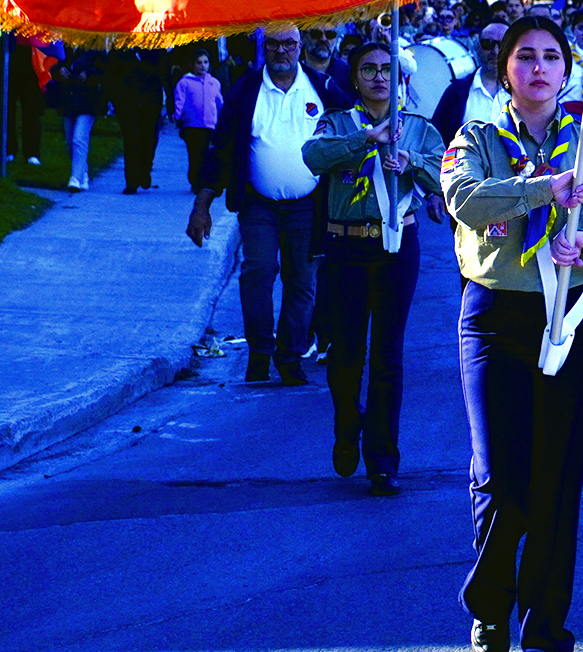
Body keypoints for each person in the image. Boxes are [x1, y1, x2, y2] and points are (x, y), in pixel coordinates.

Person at [442, 16, 583, 652]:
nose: (539, 68)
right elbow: (463, 200)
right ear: (505, 68)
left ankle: (544, 634)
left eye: (551, 58)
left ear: (568, 71)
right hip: (497, 317)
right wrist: (544, 188)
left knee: (558, 480)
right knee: (501, 476)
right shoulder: (477, 138)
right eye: (525, 56)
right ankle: (489, 603)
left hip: (577, 316)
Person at [301, 41, 448, 496]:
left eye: (387, 69)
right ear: (356, 77)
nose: (380, 77)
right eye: (369, 69)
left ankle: (383, 460)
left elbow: (445, 176)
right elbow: (313, 157)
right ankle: (348, 424)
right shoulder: (339, 121)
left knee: (387, 355)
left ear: (400, 77)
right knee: (346, 354)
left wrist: (412, 161)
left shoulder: (418, 129)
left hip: (397, 247)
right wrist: (365, 138)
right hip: (345, 248)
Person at [187, 25, 353, 385]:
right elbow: (222, 149)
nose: (281, 51)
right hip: (258, 205)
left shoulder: (323, 89)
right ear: (264, 47)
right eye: (273, 44)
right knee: (258, 273)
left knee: (302, 281)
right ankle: (260, 353)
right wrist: (202, 205)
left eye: (288, 44)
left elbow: (355, 126)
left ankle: (290, 357)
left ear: (300, 46)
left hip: (308, 205)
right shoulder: (245, 90)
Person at [433, 22, 509, 143]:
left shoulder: (524, 92)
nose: (495, 51)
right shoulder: (456, 92)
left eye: (503, 45)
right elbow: (435, 140)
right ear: (478, 47)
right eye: (488, 43)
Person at [105, 48, 166, 195]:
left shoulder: (156, 46)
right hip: (126, 97)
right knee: (132, 138)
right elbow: (110, 72)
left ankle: (144, 168)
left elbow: (165, 72)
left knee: (149, 137)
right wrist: (105, 99)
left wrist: (170, 102)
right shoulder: (121, 46)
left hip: (151, 98)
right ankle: (131, 181)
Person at [51, 46, 106, 192]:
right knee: (70, 142)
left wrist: (88, 73)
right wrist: (59, 70)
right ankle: (83, 173)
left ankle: (75, 178)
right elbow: (53, 65)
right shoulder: (65, 45)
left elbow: (104, 69)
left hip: (88, 100)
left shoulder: (95, 45)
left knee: (78, 139)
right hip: (68, 99)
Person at [173, 50, 224, 193]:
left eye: (205, 62)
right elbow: (180, 101)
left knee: (206, 154)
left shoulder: (214, 83)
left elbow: (219, 102)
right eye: (199, 63)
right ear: (192, 64)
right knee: (195, 153)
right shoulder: (185, 82)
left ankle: (202, 180)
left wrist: (224, 118)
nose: (202, 66)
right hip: (192, 125)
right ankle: (195, 179)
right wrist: (177, 116)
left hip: (209, 125)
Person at [0, 34, 47, 167]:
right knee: (5, 104)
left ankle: (32, 152)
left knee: (31, 107)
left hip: (32, 54)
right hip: (11, 52)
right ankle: (6, 150)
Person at [304, 27, 354, 97]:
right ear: (303, 37)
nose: (324, 39)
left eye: (330, 34)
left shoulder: (349, 75)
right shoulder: (292, 73)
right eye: (316, 34)